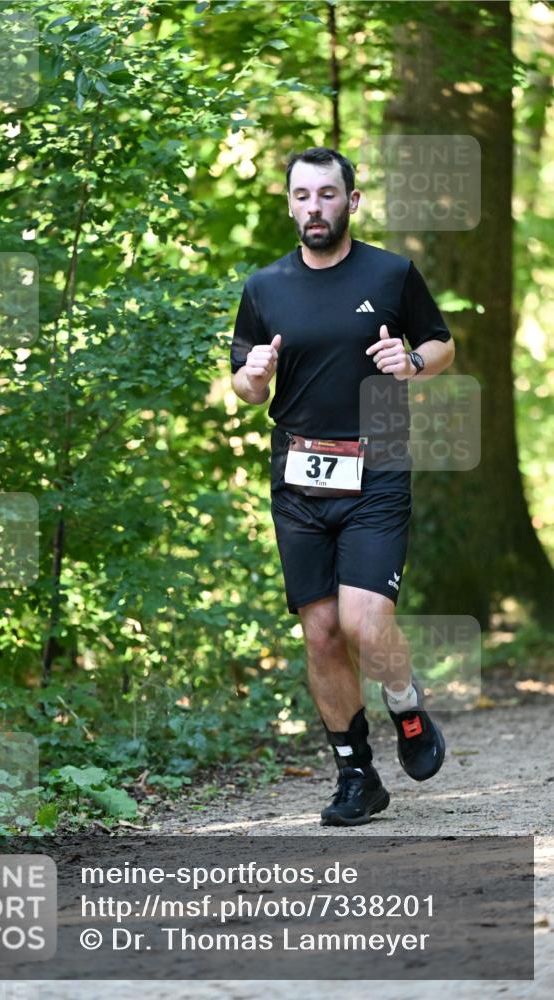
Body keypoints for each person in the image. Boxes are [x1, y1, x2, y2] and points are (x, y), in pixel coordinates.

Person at [230, 147, 455, 827]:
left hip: (376, 466)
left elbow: (441, 342)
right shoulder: (264, 288)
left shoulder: (389, 274)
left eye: (327, 195)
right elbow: (240, 385)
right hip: (298, 478)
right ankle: (357, 777)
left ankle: (404, 702)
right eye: (302, 196)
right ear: (289, 203)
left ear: (350, 202)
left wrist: (410, 359)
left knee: (363, 620)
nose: (314, 208)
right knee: (322, 634)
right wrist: (256, 375)